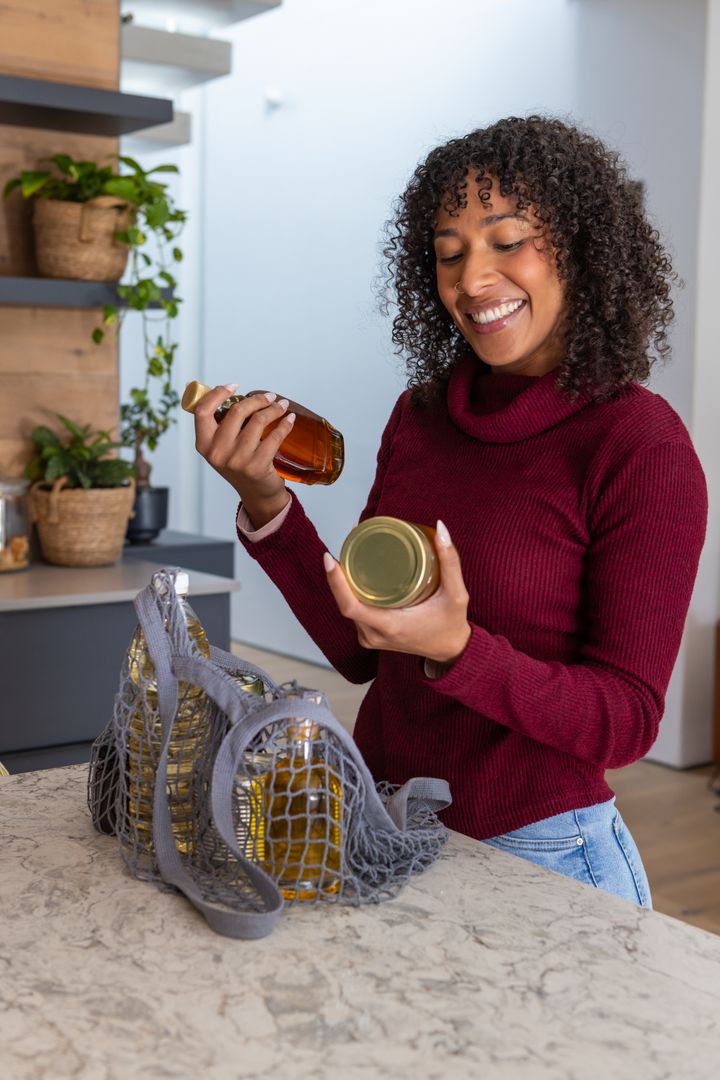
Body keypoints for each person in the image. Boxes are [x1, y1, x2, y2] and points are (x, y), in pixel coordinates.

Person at [193, 116, 707, 908]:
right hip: (384, 828)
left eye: (508, 241)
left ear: (580, 246)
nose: (472, 280)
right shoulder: (422, 416)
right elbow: (364, 646)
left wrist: (462, 651)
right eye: (449, 252)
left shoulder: (639, 444)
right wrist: (266, 501)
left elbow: (627, 721)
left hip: (544, 857)